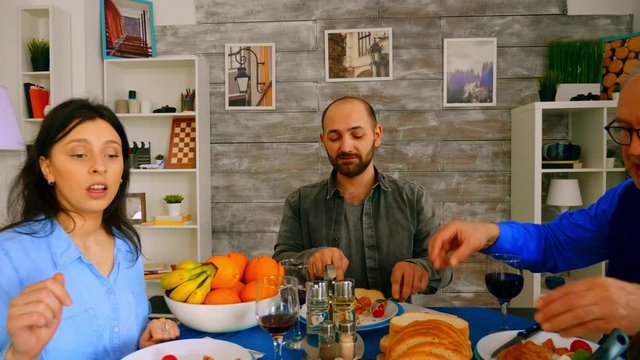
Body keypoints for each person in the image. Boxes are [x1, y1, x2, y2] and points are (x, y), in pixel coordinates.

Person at [428, 69, 640, 338]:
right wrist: (489, 234)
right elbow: (552, 243)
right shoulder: (625, 198)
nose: (633, 150)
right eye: (624, 130)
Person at [0, 99, 179, 359]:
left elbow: (122, 336)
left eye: (111, 155)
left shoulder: (127, 246)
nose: (99, 166)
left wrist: (143, 341)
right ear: (47, 167)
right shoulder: (8, 255)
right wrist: (20, 354)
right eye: (80, 154)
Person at [273, 96, 452, 301]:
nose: (346, 147)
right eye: (334, 138)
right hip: (322, 327)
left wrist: (421, 269)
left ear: (377, 136)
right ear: (323, 142)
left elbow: (444, 267)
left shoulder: (413, 198)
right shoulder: (300, 202)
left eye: (357, 135)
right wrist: (309, 260)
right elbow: (278, 265)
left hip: (393, 326)